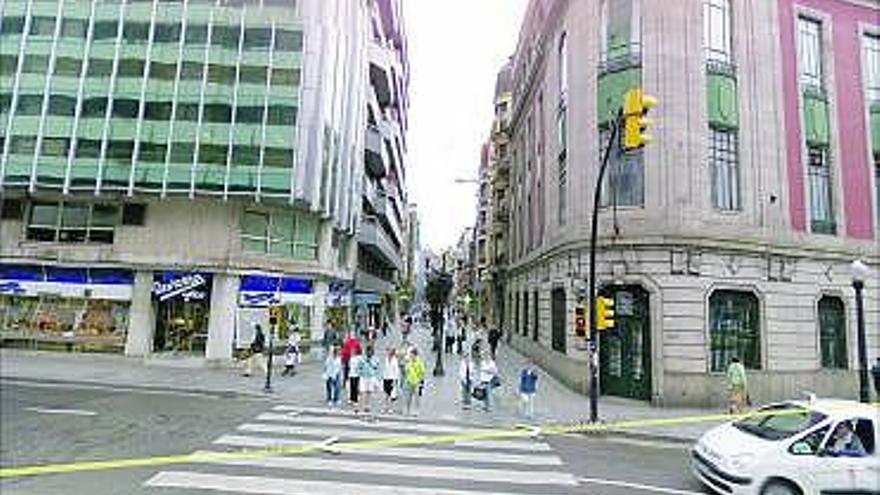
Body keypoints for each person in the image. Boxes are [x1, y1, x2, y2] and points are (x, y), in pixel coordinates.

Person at [357, 346, 381, 414]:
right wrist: (360, 373)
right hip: (364, 377)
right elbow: (359, 367)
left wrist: (376, 376)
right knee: (362, 392)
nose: (369, 353)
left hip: (371, 377)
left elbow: (377, 368)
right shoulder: (362, 359)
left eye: (371, 351)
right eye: (368, 351)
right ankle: (360, 407)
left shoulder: (376, 359)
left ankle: (367, 405)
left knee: (369, 392)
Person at [404, 347, 426, 416]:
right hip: (409, 381)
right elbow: (406, 370)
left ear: (415, 355)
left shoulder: (419, 362)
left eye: (411, 355)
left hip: (417, 382)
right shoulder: (409, 361)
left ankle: (417, 410)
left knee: (417, 397)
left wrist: (420, 380)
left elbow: (423, 372)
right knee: (408, 397)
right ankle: (407, 409)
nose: (411, 356)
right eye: (410, 355)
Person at [382, 347, 400, 413]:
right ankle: (385, 407)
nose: (387, 352)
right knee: (386, 393)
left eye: (388, 351)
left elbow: (396, 371)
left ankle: (390, 408)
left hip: (392, 378)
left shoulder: (395, 360)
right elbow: (385, 368)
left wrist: (395, 380)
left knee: (391, 394)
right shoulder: (386, 359)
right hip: (386, 378)